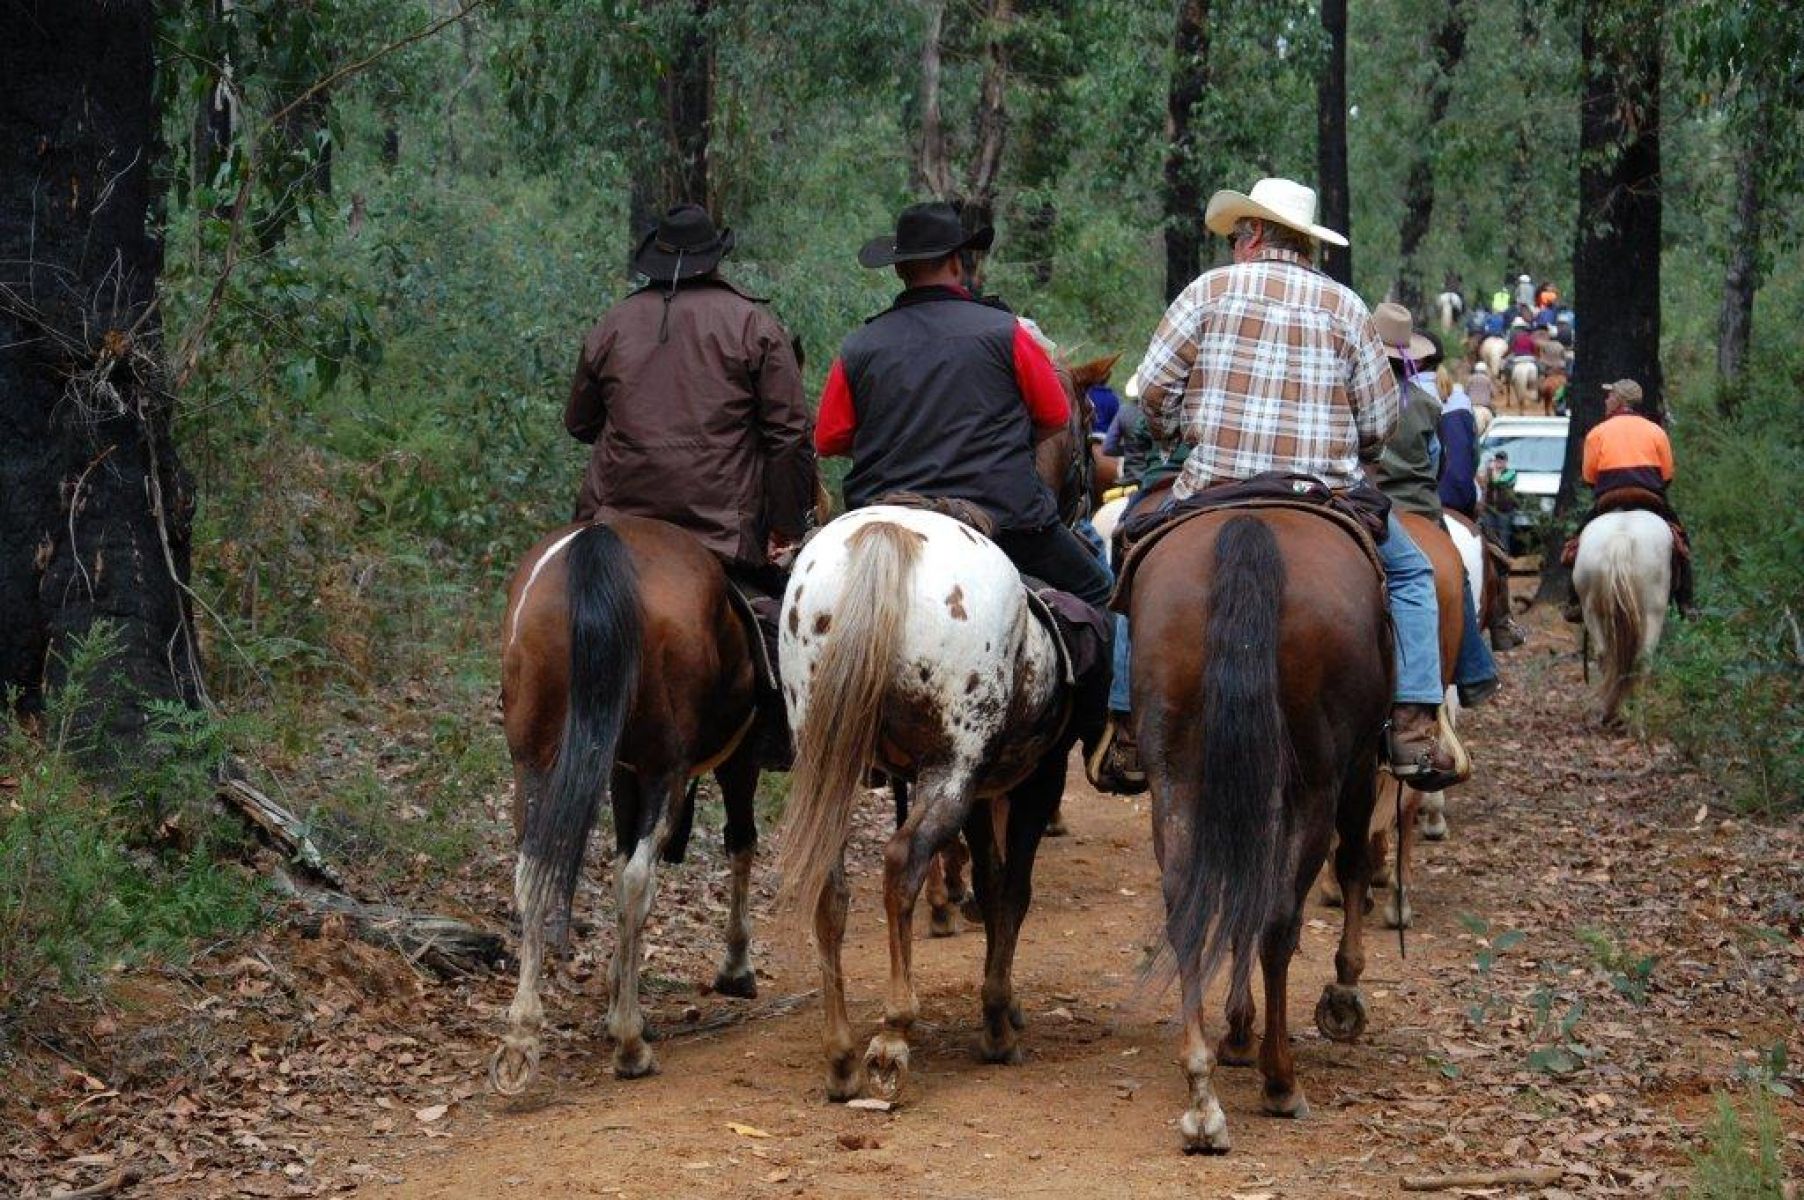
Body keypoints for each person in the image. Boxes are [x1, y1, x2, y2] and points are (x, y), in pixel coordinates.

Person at [1090, 177, 1468, 794]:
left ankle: (1129, 727)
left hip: (1212, 482)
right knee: (1411, 574)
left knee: (1131, 551)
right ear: (1306, 244)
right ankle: (1415, 721)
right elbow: (1379, 421)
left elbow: (1153, 387)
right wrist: (1350, 447)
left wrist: (1175, 429)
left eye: (1239, 234)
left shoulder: (1205, 291)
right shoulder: (1345, 306)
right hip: (1326, 492)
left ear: (1256, 234)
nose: (1236, 245)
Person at [814, 199, 1115, 735]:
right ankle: (1101, 734)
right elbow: (1052, 415)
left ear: (901, 270)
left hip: (886, 517)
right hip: (1005, 519)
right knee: (1102, 594)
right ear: (959, 262)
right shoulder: (1005, 333)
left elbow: (830, 437)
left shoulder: (860, 344)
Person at [566, 202, 815, 594]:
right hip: (721, 532)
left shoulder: (613, 324)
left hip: (613, 520)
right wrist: (786, 527)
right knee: (772, 628)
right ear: (716, 259)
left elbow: (579, 424)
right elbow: (790, 435)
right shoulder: (755, 326)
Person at [1370, 304, 1498, 708]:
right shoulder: (1427, 404)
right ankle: (1475, 672)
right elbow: (1437, 459)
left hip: (1369, 505)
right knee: (1454, 574)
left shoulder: (1355, 394)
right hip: (1421, 509)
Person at [1561, 378, 1695, 618]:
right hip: (1649, 497)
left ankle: (1574, 601)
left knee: (1576, 543)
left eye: (1610, 395)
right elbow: (1667, 474)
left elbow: (1589, 477)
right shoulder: (1656, 431)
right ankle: (1686, 602)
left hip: (1610, 498)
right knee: (1681, 542)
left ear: (1620, 400)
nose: (1607, 399)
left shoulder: (1597, 433)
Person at [1437, 368, 1480, 518]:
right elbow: (1475, 454)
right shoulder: (1463, 401)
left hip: (1428, 497)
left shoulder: (1411, 397)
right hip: (1462, 494)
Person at [1478, 450, 1518, 553]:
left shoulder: (1511, 473)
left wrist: (1493, 472)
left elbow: (1499, 481)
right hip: (1489, 510)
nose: (1499, 463)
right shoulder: (1489, 472)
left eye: (1501, 460)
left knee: (1503, 538)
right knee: (1489, 536)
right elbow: (1481, 481)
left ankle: (1504, 562)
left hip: (1505, 511)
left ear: (1506, 462)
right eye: (1497, 460)